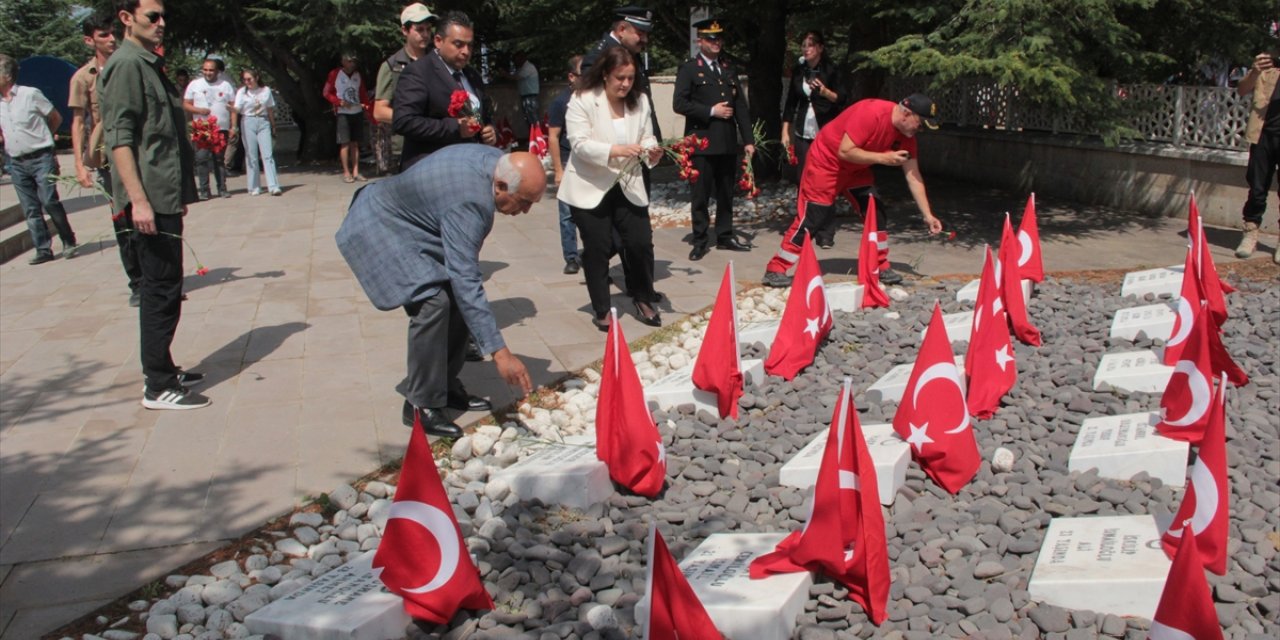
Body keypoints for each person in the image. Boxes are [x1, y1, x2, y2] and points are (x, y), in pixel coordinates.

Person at [336, 147, 540, 437]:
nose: (526, 211)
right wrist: (501, 353)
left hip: (411, 221)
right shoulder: (471, 204)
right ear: (501, 186)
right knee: (434, 304)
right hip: (381, 225)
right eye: (523, 202)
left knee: (454, 299)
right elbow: (466, 278)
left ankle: (443, 385)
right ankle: (421, 404)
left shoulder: (500, 164)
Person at [100, 0, 208, 410]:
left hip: (162, 194)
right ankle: (158, 385)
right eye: (152, 17)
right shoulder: (127, 65)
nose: (162, 24)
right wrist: (140, 201)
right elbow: (120, 139)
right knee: (161, 289)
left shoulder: (146, 63)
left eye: (164, 17)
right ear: (127, 19)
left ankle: (163, 366)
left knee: (167, 285)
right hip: (147, 199)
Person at [762, 94, 945, 287]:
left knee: (875, 211)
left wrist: (928, 215)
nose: (921, 129)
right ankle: (776, 269)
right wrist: (884, 158)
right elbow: (845, 151)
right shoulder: (871, 113)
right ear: (906, 114)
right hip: (827, 163)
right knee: (813, 216)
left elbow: (913, 176)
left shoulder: (907, 136)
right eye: (921, 123)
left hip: (856, 169)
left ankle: (880, 265)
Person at [558, 47, 664, 330]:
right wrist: (616, 150)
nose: (626, 84)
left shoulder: (640, 100)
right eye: (620, 78)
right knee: (598, 247)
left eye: (630, 78)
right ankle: (602, 308)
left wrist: (652, 152)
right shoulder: (582, 100)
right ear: (605, 74)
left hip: (628, 182)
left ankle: (643, 297)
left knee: (640, 242)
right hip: (589, 185)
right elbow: (578, 144)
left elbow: (647, 136)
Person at [70, 9, 139, 302]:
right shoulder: (83, 78)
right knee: (122, 218)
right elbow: (78, 122)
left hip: (138, 149)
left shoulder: (131, 64)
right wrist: (79, 164)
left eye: (113, 33)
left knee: (149, 214)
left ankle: (156, 277)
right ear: (90, 41)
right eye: (104, 35)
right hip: (109, 156)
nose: (111, 39)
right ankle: (137, 282)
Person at [673, 18, 754, 261]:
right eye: (710, 38)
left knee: (726, 191)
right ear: (700, 42)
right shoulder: (689, 69)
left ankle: (725, 234)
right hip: (702, 143)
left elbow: (740, 106)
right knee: (700, 193)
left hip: (727, 142)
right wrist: (711, 111)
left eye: (719, 37)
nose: (716, 42)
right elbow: (680, 103)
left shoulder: (728, 68)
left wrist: (748, 140)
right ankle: (699, 239)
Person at [392, 10, 497, 171]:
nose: (466, 51)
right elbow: (404, 121)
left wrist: (489, 129)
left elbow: (481, 114)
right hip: (430, 170)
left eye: (470, 45)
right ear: (439, 41)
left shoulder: (472, 76)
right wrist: (455, 128)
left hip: (470, 167)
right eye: (458, 44)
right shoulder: (419, 72)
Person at [0, 54, 78, 266]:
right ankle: (43, 249)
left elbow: (55, 117)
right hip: (15, 161)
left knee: (49, 200)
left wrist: (46, 138)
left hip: (41, 156)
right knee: (30, 207)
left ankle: (68, 239)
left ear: (7, 76)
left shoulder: (30, 94)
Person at [781, 30, 846, 247]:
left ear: (820, 48)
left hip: (825, 132)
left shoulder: (832, 70)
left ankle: (826, 231)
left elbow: (843, 98)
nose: (806, 49)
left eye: (810, 45)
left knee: (825, 181)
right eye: (803, 45)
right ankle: (804, 226)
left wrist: (826, 92)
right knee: (803, 180)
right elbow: (791, 102)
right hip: (803, 131)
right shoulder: (799, 71)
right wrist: (785, 131)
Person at [373, 2, 437, 175]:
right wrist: (416, 121)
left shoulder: (438, 61)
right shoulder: (392, 66)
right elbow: (379, 111)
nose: (425, 34)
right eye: (419, 29)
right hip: (404, 149)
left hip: (436, 143)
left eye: (428, 29)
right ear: (405, 31)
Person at [582, 6, 661, 140]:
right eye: (640, 33)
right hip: (616, 140)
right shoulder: (599, 57)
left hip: (642, 135)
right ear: (622, 30)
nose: (645, 40)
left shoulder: (631, 52)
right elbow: (593, 102)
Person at [1234, 48, 1280, 263]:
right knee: (1258, 187)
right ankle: (1250, 232)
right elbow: (1242, 90)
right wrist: (1253, 72)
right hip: (1263, 135)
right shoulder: (1266, 66)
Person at [547, 54, 583, 275]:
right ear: (572, 76)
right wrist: (558, 169)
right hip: (569, 159)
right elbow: (553, 136)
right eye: (583, 73)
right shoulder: (561, 102)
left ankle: (595, 255)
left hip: (589, 160)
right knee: (567, 212)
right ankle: (571, 256)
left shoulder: (596, 98)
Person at [184, 57, 234, 199]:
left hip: (220, 127)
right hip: (202, 127)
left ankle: (222, 188)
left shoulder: (225, 85)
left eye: (211, 70)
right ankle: (204, 190)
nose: (208, 72)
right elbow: (186, 104)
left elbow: (232, 107)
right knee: (201, 158)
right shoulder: (195, 84)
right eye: (205, 70)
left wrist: (233, 126)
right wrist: (198, 110)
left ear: (217, 71)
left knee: (218, 159)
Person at [324, 52, 372, 183]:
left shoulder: (357, 75)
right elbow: (326, 93)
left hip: (357, 111)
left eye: (354, 62)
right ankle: (346, 172)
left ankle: (356, 171)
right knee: (344, 143)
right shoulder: (335, 74)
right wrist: (338, 102)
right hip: (343, 112)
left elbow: (362, 93)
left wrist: (366, 106)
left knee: (355, 143)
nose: (352, 64)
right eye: (349, 61)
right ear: (343, 62)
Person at [232, 68, 281, 196]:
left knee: (267, 155)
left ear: (257, 78)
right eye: (245, 79)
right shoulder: (242, 92)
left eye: (249, 79)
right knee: (251, 155)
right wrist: (233, 121)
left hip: (263, 121)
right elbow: (237, 109)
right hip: (248, 121)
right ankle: (254, 186)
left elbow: (269, 108)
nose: (247, 82)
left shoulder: (265, 90)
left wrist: (273, 125)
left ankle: (273, 185)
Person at [513, 51, 540, 129]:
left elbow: (516, 77)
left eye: (517, 60)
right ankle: (532, 137)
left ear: (522, 58)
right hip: (525, 96)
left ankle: (538, 137)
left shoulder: (528, 67)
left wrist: (504, 74)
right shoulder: (521, 68)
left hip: (531, 96)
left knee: (533, 118)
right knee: (528, 118)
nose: (516, 62)